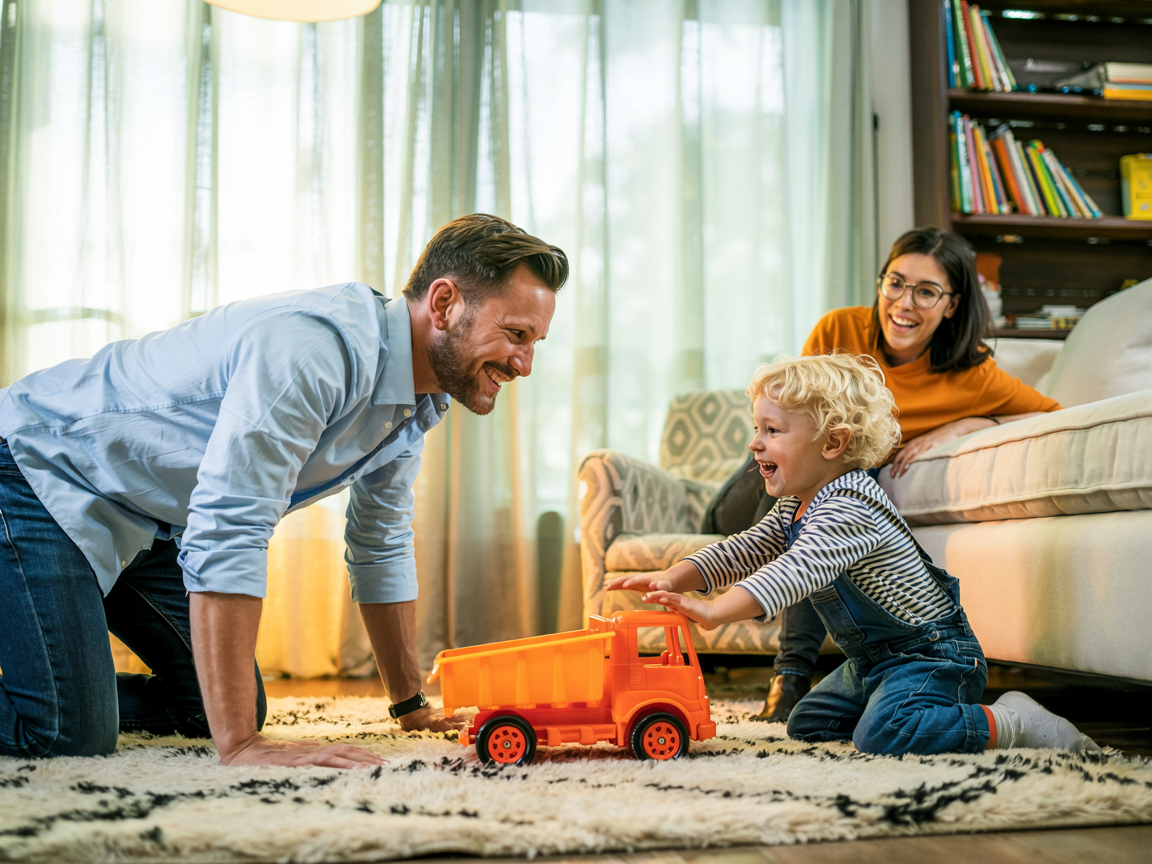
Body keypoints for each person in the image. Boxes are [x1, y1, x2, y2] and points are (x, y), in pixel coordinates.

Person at [0, 213, 567, 767]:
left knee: (219, 705)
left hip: (143, 515)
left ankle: (64, 685)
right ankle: (64, 700)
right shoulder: (316, 348)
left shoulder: (418, 402)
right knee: (63, 732)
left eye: (534, 341)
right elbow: (230, 524)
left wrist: (411, 706)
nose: (525, 362)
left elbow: (381, 542)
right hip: (36, 470)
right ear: (444, 304)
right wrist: (241, 747)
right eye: (516, 334)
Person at [608, 354, 1097, 756]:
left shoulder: (851, 505)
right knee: (809, 725)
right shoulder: (794, 506)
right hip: (871, 661)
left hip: (929, 654)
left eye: (772, 430)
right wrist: (677, 575)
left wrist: (716, 610)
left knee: (883, 735)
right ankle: (902, 707)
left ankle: (1008, 721)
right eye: (756, 428)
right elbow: (746, 547)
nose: (755, 443)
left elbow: (794, 572)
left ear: (834, 443)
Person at [739, 227, 1063, 723]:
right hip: (766, 482)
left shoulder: (974, 375)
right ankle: (791, 672)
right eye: (896, 283)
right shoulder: (838, 329)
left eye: (926, 291)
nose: (904, 303)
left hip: (821, 488)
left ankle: (795, 682)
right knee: (802, 498)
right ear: (881, 283)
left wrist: (969, 421)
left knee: (818, 500)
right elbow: (793, 420)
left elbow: (1051, 414)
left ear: (952, 304)